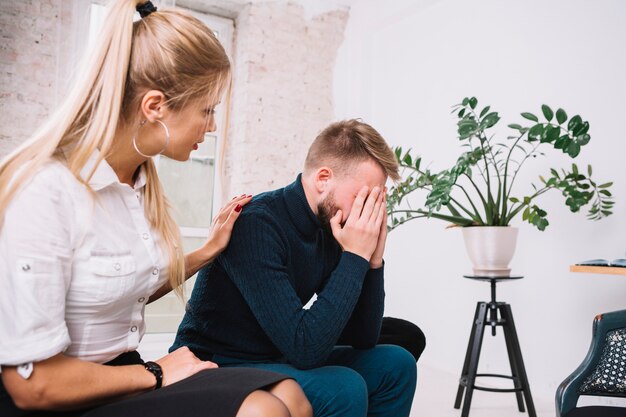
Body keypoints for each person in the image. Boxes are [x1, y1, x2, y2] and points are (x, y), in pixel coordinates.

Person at [0, 2, 312, 417]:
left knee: (289, 394)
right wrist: (157, 372)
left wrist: (208, 251)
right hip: (59, 397)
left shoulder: (138, 184)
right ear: (154, 107)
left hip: (124, 374)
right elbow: (32, 385)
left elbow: (127, 289)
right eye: (207, 110)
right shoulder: (46, 192)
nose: (213, 126)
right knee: (262, 410)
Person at [172, 119, 418, 417]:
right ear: (323, 178)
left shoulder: (331, 227)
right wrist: (354, 255)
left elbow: (362, 338)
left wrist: (372, 261)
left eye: (376, 200)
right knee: (344, 386)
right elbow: (306, 349)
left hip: (274, 352)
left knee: (397, 364)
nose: (367, 212)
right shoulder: (257, 224)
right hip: (216, 361)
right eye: (362, 197)